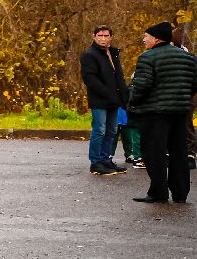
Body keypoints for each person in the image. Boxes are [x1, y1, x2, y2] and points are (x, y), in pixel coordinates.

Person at [125, 21, 195, 205]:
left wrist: (132, 102)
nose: (143, 39)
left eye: (146, 36)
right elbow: (194, 84)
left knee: (154, 153)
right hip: (180, 112)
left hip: (154, 113)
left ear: (156, 38)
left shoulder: (148, 57)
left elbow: (142, 86)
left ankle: (158, 192)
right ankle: (180, 193)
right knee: (179, 152)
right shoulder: (188, 57)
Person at [80, 24, 129, 176]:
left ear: (111, 37)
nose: (103, 38)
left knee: (112, 131)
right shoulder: (89, 54)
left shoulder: (113, 53)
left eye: (106, 36)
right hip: (99, 99)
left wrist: (124, 97)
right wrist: (108, 94)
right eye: (100, 35)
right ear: (94, 37)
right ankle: (95, 163)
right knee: (99, 130)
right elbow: (90, 79)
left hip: (114, 99)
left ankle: (105, 159)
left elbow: (118, 77)